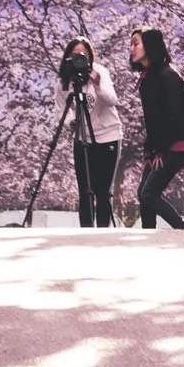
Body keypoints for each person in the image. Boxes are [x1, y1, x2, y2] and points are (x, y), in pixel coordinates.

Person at [128, 25, 184, 231]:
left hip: (180, 143)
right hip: (163, 144)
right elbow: (153, 121)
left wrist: (160, 150)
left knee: (149, 193)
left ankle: (182, 230)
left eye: (136, 43)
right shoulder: (147, 79)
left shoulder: (168, 76)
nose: (131, 48)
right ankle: (148, 234)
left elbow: (173, 117)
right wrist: (149, 151)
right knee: (143, 192)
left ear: (150, 46)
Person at [60, 34, 122, 226]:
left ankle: (103, 235)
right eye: (75, 55)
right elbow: (61, 106)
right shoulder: (65, 80)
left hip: (108, 136)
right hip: (82, 138)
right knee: (85, 191)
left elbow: (112, 100)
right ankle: (85, 233)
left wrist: (97, 84)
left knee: (103, 192)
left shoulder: (99, 72)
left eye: (83, 55)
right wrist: (71, 121)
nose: (79, 59)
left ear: (90, 57)